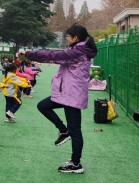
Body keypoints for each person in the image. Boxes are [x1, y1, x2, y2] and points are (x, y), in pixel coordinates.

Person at [25, 24, 98, 174]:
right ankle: (63, 131)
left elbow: (53, 56)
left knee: (75, 130)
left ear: (76, 38)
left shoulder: (78, 52)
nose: (66, 39)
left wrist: (31, 54)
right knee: (43, 106)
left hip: (71, 95)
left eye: (68, 37)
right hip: (67, 93)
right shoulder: (78, 49)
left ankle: (76, 163)